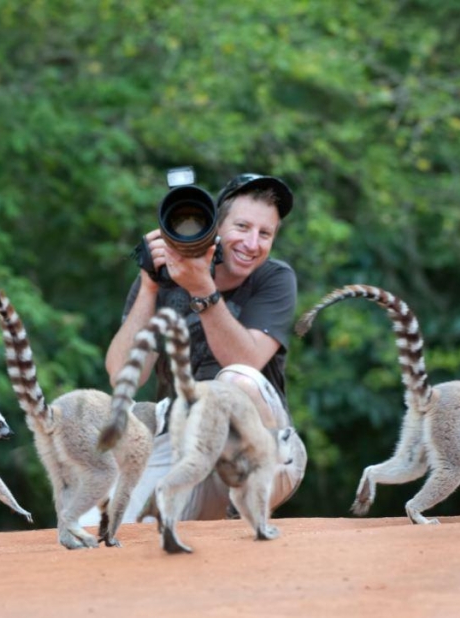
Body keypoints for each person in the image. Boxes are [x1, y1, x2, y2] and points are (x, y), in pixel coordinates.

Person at [102, 173, 308, 523]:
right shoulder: (166, 276)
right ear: (215, 226)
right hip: (187, 447)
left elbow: (245, 361)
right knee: (100, 524)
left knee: (236, 380)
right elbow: (123, 375)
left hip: (268, 453)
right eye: (242, 227)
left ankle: (249, 500)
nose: (252, 243)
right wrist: (150, 285)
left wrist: (201, 288)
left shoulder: (274, 278)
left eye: (265, 233)